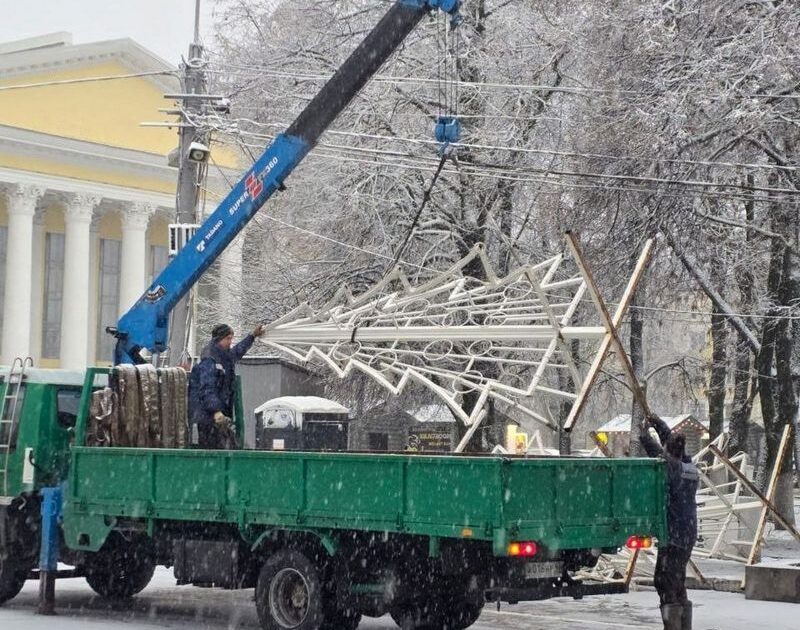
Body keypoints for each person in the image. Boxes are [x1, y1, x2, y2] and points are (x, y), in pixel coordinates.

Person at [640, 415, 699, 630]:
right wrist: (657, 423)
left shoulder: (672, 468)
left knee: (664, 580)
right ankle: (683, 625)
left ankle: (673, 625)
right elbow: (670, 445)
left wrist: (644, 436)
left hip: (674, 534)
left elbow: (658, 453)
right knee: (676, 580)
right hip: (688, 531)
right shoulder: (688, 466)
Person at [189, 323, 264, 449]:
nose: (230, 342)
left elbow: (237, 352)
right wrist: (216, 411)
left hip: (220, 417)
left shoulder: (222, 355)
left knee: (223, 448)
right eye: (228, 339)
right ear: (219, 339)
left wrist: (252, 336)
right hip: (209, 419)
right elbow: (207, 388)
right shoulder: (210, 360)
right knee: (214, 450)